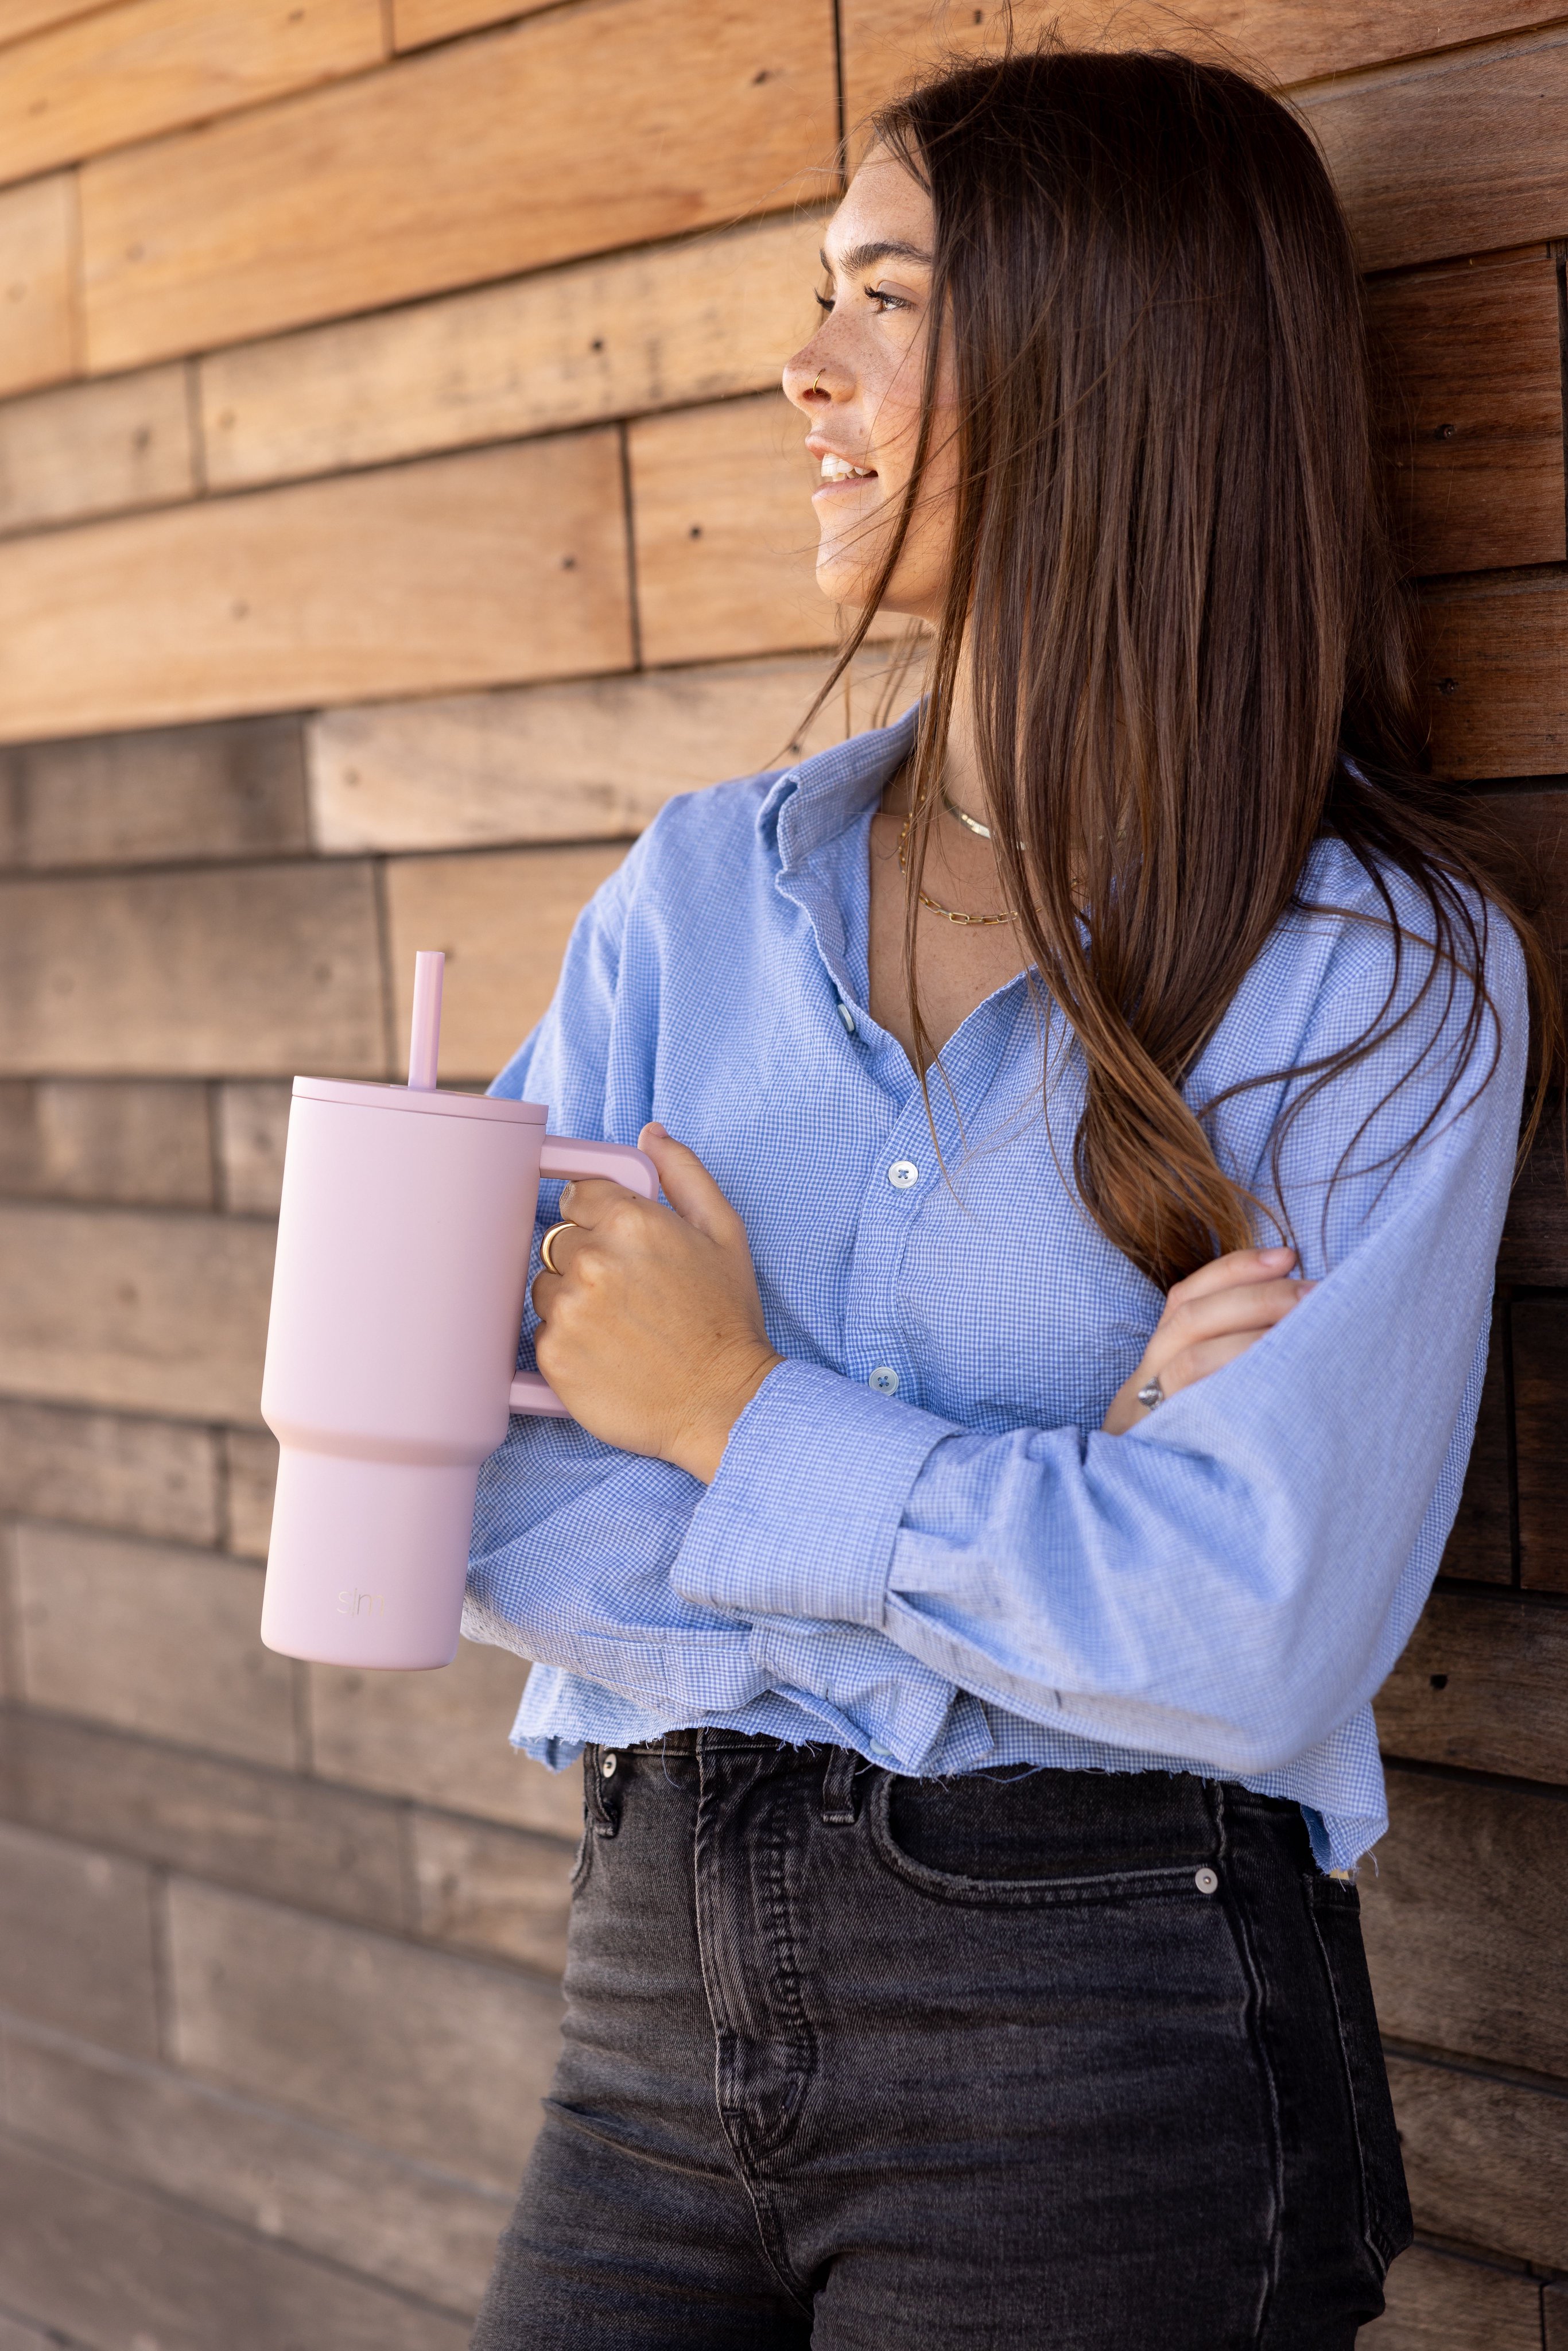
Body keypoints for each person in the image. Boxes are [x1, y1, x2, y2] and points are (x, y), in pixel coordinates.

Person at [465, 45, 1558, 2350]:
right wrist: (1059, 1513)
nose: (802, 361)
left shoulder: (1373, 981)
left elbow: (1250, 1635)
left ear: (1110, 365)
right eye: (816, 294)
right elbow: (482, 1507)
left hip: (1100, 2041)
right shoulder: (692, 902)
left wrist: (729, 1410)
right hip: (649, 1996)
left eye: (882, 294)